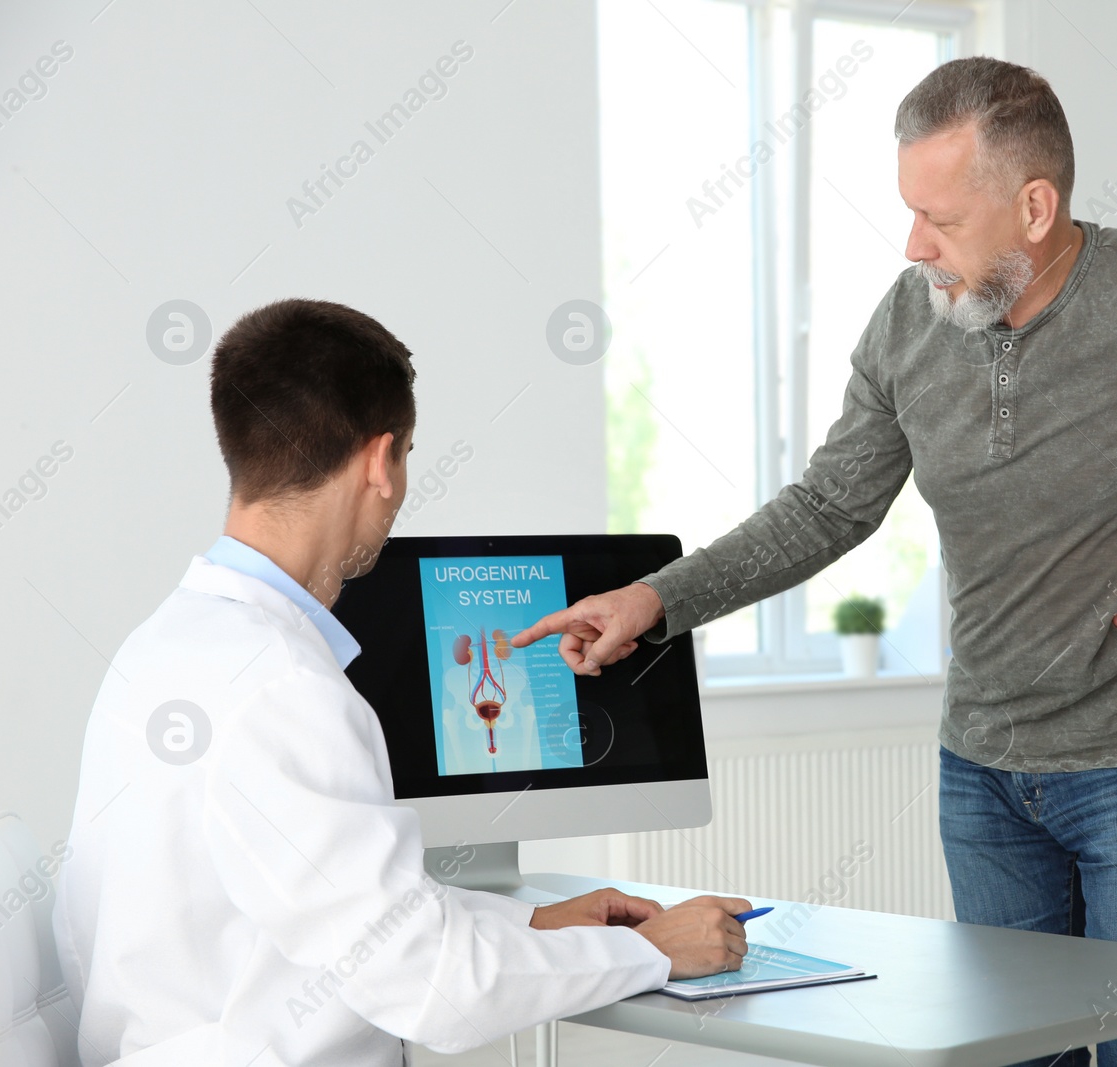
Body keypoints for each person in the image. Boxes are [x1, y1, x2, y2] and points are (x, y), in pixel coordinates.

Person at [512, 57, 1117, 1067]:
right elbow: (829, 505)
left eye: (941, 218)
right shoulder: (910, 320)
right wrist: (656, 597)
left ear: (1034, 206)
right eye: (908, 211)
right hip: (984, 774)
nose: (913, 243)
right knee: (1010, 1057)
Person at [53, 299, 750, 1067]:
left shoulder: (161, 645)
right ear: (380, 460)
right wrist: (654, 951)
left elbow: (362, 922)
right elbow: (435, 986)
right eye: (410, 453)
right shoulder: (284, 687)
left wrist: (538, 925)